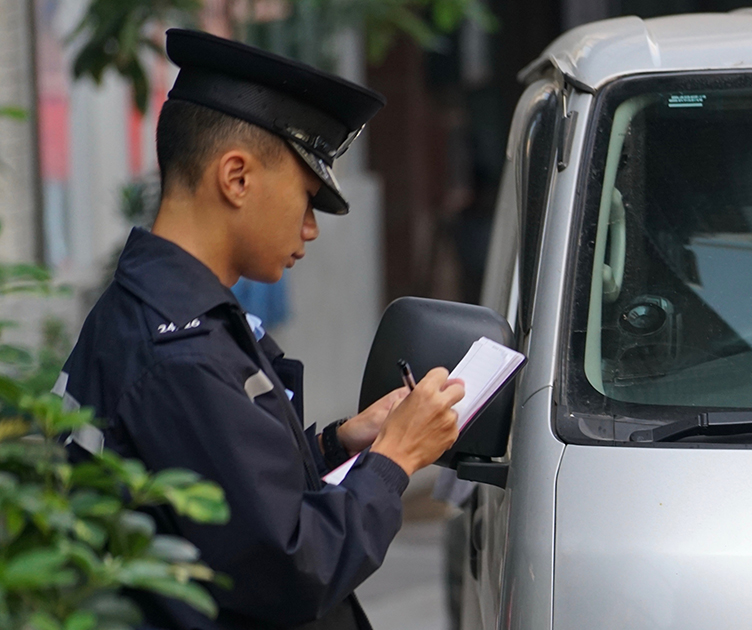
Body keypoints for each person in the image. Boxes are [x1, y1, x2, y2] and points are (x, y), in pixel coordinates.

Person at [55, 28, 464, 629]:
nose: (310, 229)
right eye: (305, 197)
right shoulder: (179, 352)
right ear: (237, 178)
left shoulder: (159, 316)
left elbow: (233, 505)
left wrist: (338, 445)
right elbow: (293, 567)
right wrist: (396, 458)